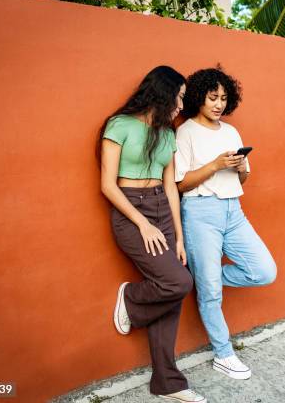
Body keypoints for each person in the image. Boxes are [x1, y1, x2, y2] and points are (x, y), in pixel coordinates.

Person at [99, 65, 206, 403]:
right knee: (179, 283)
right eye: (179, 98)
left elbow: (170, 187)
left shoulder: (167, 134)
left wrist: (177, 236)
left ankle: (167, 383)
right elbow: (107, 185)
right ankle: (130, 299)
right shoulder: (119, 126)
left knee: (173, 287)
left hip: (161, 208)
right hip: (131, 210)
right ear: (162, 94)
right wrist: (142, 223)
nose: (181, 105)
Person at [174, 66, 277, 380]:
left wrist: (240, 166)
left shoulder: (231, 132)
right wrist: (216, 164)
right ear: (198, 98)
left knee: (264, 270)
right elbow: (179, 184)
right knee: (211, 295)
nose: (218, 104)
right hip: (201, 213)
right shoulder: (186, 131)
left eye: (223, 98)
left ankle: (207, 282)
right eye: (212, 97)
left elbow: (243, 178)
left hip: (234, 211)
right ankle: (223, 354)